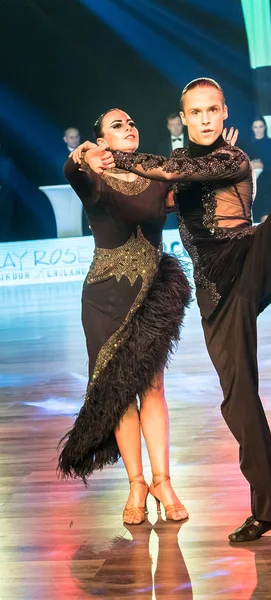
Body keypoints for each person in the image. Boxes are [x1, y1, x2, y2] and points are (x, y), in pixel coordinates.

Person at [80, 79, 271, 542]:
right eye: (195, 112)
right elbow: (162, 178)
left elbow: (168, 170)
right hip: (215, 296)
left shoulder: (231, 158)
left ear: (224, 114)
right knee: (238, 401)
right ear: (184, 119)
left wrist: (115, 156)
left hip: (246, 260)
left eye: (211, 111)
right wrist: (88, 158)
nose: (204, 119)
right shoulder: (183, 165)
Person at [58, 109, 191, 525]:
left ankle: (162, 481)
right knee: (118, 393)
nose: (129, 127)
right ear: (101, 140)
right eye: (117, 125)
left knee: (152, 388)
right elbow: (72, 170)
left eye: (131, 122)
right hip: (102, 301)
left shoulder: (155, 173)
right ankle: (136, 483)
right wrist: (82, 155)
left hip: (150, 296)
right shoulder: (93, 177)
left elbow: (186, 195)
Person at [247, 116, 271, 221]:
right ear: (252, 128)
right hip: (255, 188)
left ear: (265, 127)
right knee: (257, 223)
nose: (258, 129)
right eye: (255, 127)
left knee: (269, 220)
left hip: (269, 186)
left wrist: (262, 165)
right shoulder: (248, 145)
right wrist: (252, 165)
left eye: (261, 126)